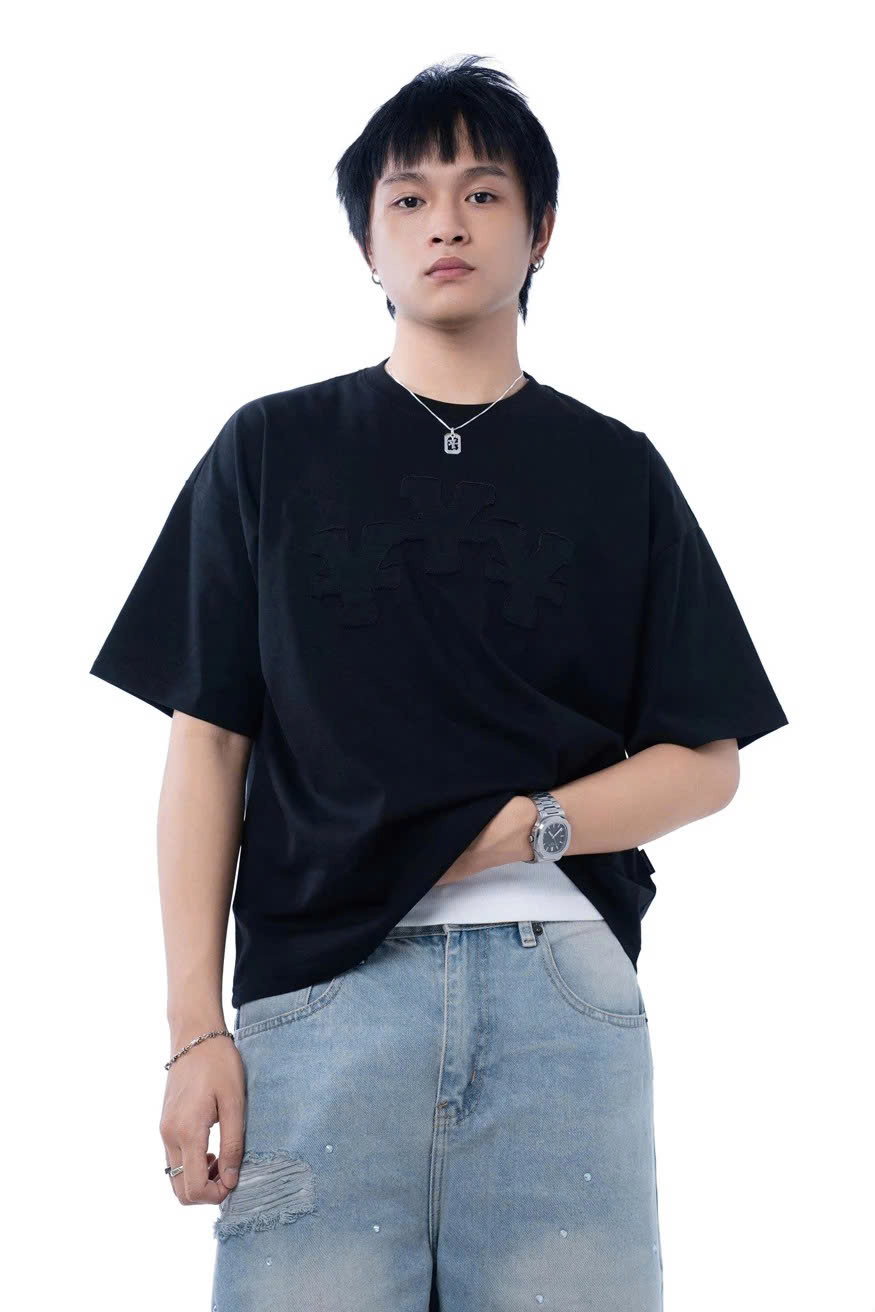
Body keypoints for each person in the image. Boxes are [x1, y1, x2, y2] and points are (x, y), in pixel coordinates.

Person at [89, 55, 789, 1312]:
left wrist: (529, 827)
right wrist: (195, 1030)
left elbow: (707, 760)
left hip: (558, 996)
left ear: (540, 230)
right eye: (407, 199)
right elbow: (207, 746)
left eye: (481, 193)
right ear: (367, 244)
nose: (445, 224)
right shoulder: (271, 450)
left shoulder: (615, 470)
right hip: (321, 1000)